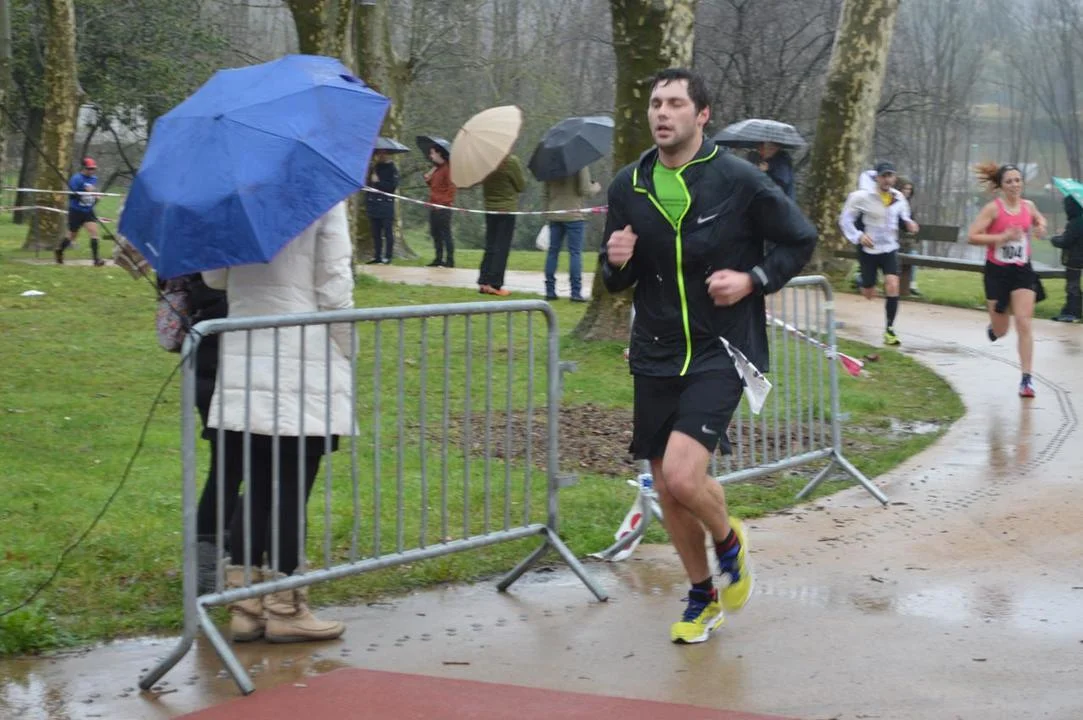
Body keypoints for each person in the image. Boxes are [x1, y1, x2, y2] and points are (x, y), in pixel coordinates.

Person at [601, 68, 817, 644]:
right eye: (655, 103)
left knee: (681, 472)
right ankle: (703, 596)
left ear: (702, 115)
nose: (661, 113)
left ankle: (727, 542)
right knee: (668, 486)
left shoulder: (739, 180)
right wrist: (616, 261)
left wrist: (752, 279)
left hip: (722, 346)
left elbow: (800, 239)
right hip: (655, 350)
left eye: (675, 103)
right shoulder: (628, 185)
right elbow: (616, 279)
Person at [202, 201, 356, 643]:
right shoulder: (320, 197)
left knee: (256, 484)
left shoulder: (230, 197)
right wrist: (347, 346)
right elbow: (334, 284)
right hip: (301, 351)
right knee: (291, 487)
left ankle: (246, 606)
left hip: (244, 350)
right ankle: (286, 606)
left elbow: (214, 277)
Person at [967, 163, 1048, 398]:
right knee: (1002, 331)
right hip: (997, 272)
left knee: (1024, 322)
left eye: (1017, 180)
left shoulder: (1028, 206)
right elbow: (972, 236)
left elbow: (1039, 220)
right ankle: (994, 327)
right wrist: (1002, 237)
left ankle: (1026, 379)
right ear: (1001, 186)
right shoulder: (993, 209)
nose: (1014, 185)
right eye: (1009, 181)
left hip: (1022, 270)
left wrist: (1040, 228)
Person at [839, 161, 919, 346]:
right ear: (877, 178)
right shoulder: (861, 197)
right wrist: (859, 236)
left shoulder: (898, 197)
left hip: (889, 249)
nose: (887, 180)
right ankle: (864, 281)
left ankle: (890, 329)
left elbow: (904, 216)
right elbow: (845, 220)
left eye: (890, 176)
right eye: (883, 176)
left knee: (892, 284)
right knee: (868, 292)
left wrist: (909, 223)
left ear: (894, 178)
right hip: (868, 249)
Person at [542, 166, 601, 301]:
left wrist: (547, 212)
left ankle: (550, 291)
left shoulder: (550, 164)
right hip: (574, 215)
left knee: (552, 252)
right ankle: (575, 292)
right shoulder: (580, 165)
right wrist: (596, 186)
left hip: (554, 214)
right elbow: (585, 190)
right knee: (575, 253)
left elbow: (545, 193)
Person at [478, 153, 527, 296]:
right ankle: (495, 284)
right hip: (506, 209)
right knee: (502, 248)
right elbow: (521, 186)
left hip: (490, 208)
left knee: (490, 246)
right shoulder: (510, 161)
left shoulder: (485, 160)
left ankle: (484, 282)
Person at [55, 158, 105, 266]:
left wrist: (96, 196)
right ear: (84, 168)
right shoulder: (76, 179)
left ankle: (96, 260)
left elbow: (92, 193)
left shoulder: (94, 179)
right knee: (72, 235)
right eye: (89, 169)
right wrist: (83, 191)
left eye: (93, 169)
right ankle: (59, 250)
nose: (91, 171)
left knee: (94, 232)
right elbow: (71, 195)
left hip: (88, 210)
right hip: (76, 211)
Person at [1051, 194, 1082, 323]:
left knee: (1072, 287)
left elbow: (1066, 241)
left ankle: (1072, 313)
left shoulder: (1075, 222)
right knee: (1074, 287)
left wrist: (1054, 239)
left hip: (1075, 260)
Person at [365, 150, 400, 264]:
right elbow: (369, 185)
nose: (381, 156)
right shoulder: (375, 167)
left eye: (383, 153)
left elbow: (391, 187)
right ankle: (377, 256)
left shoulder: (392, 169)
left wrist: (378, 182)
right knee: (376, 233)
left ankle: (388, 256)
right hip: (374, 204)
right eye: (379, 154)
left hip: (386, 205)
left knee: (388, 232)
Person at [424, 144, 456, 268]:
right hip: (433, 206)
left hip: (443, 207)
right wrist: (428, 177)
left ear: (439, 153)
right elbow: (433, 185)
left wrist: (443, 204)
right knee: (435, 233)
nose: (431, 156)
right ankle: (438, 258)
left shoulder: (448, 169)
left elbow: (452, 188)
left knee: (445, 234)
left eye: (432, 153)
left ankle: (450, 260)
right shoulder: (437, 169)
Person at [897, 177, 922, 297]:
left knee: (913, 254)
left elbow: (913, 225)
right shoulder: (893, 203)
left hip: (907, 242)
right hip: (894, 241)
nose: (907, 191)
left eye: (909, 189)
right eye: (904, 189)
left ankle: (912, 283)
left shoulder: (911, 206)